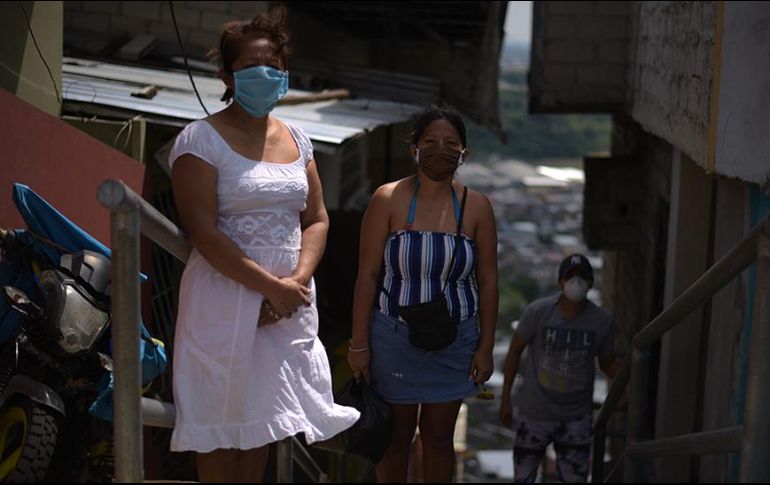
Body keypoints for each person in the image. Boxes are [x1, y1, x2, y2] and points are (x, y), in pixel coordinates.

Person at [167, 8, 359, 483]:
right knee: (218, 422)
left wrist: (293, 283)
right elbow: (203, 232)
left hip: (287, 303)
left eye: (273, 66)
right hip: (224, 296)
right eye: (251, 68)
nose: (264, 76)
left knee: (263, 425)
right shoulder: (200, 140)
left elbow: (316, 218)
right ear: (227, 75)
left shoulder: (299, 139)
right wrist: (268, 287)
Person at [348, 106, 498, 482]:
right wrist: (359, 343)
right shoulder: (388, 198)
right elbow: (366, 275)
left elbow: (489, 281)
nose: (439, 150)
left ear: (464, 153)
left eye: (451, 144)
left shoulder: (477, 207)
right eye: (430, 142)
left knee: (438, 439)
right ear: (413, 149)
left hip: (456, 338)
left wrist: (485, 347)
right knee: (395, 438)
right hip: (394, 336)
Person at [499, 253, 620, 483]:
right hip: (535, 412)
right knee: (523, 476)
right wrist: (505, 399)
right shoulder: (538, 312)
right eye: (570, 276)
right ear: (560, 282)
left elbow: (607, 361)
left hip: (575, 416)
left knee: (574, 478)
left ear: (591, 283)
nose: (576, 282)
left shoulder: (601, 321)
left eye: (582, 277)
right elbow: (514, 351)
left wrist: (627, 390)